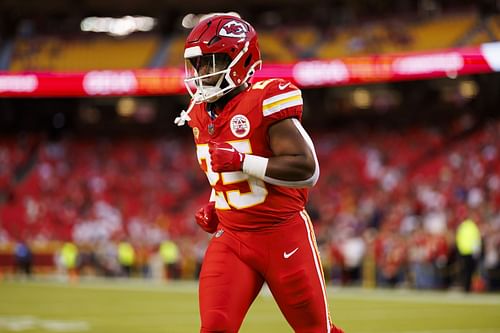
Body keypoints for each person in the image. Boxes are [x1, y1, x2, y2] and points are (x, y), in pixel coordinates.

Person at [175, 13, 344, 333]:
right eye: (199, 64)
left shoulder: (265, 100)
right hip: (232, 237)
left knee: (315, 331)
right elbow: (221, 169)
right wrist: (216, 201)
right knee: (214, 327)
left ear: (240, 60)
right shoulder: (200, 112)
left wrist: (243, 161)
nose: (202, 73)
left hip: (281, 234)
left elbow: (308, 168)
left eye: (211, 62)